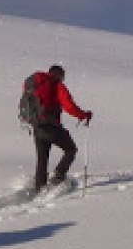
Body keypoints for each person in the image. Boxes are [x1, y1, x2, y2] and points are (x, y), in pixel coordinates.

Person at [23, 64, 93, 192]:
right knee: (71, 149)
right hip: (51, 126)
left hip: (36, 126)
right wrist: (83, 115)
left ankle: (39, 189)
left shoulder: (36, 83)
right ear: (59, 74)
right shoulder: (56, 84)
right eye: (63, 76)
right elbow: (69, 105)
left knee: (42, 160)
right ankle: (58, 178)